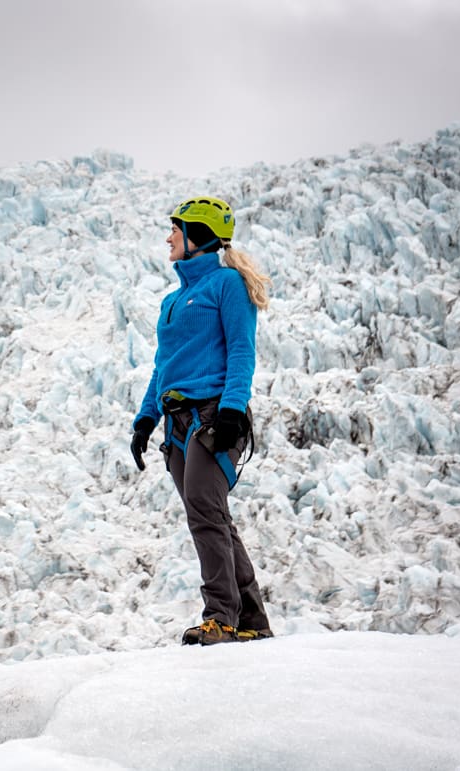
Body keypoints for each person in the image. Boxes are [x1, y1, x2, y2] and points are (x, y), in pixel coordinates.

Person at [130, 195, 274, 646]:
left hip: (214, 414)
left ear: (199, 236)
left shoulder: (227, 285)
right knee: (213, 517)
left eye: (176, 228)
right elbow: (163, 365)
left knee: (205, 514)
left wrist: (232, 410)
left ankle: (221, 619)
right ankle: (252, 621)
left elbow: (242, 351)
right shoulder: (173, 301)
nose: (169, 236)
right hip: (176, 423)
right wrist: (144, 420)